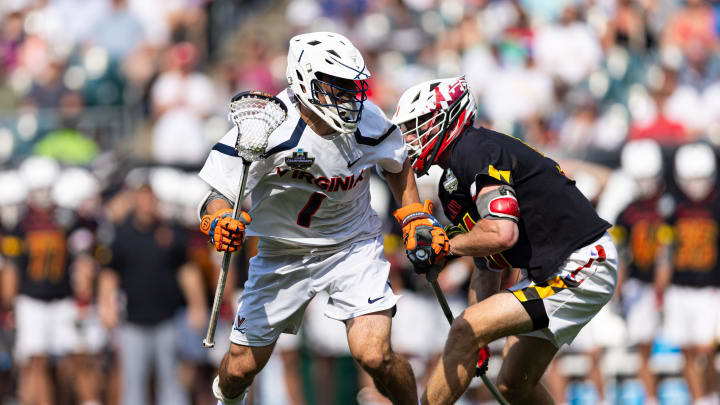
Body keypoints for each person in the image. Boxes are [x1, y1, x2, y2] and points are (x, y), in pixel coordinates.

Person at [198, 31, 447, 405]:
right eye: (337, 87)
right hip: (282, 253)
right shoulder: (266, 126)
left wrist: (413, 216)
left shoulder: (368, 120)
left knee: (374, 354)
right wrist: (219, 222)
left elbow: (397, 162)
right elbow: (215, 195)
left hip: (353, 245)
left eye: (353, 87)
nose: (350, 98)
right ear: (303, 80)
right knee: (238, 370)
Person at [391, 76, 618, 405]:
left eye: (418, 126)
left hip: (580, 262)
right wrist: (479, 339)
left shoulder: (475, 149)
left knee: (466, 327)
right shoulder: (452, 182)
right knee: (513, 385)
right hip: (554, 266)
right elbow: (489, 261)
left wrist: (447, 245)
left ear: (449, 118)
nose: (410, 138)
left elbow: (501, 232)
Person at [611, 139, 672, 403]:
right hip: (639, 285)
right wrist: (618, 290)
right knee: (642, 346)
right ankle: (651, 397)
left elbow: (667, 255)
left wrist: (663, 289)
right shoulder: (626, 213)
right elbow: (621, 256)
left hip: (674, 286)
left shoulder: (669, 208)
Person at [663, 142, 720, 405]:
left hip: (709, 287)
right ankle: (699, 399)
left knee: (706, 348)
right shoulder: (674, 207)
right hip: (679, 286)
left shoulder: (716, 206)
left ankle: (711, 396)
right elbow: (666, 248)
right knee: (687, 349)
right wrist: (660, 285)